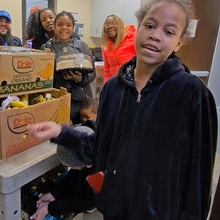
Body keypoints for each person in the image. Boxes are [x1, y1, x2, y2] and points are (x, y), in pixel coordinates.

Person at [27, 0, 218, 219]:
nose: (156, 35)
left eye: (168, 31)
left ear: (178, 43)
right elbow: (101, 152)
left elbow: (198, 179)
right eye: (150, 25)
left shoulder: (192, 94)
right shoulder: (112, 89)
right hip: (114, 211)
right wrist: (60, 133)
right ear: (137, 28)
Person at [30, 98, 99, 220]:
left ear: (87, 164)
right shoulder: (90, 140)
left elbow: (87, 200)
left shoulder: (102, 169)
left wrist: (50, 208)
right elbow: (76, 175)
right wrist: (53, 194)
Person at [42, 11, 96, 124]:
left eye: (68, 25)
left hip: (81, 98)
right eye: (60, 24)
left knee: (83, 130)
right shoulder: (47, 47)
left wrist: (79, 78)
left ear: (73, 28)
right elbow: (43, 74)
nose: (64, 28)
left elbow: (92, 73)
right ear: (55, 27)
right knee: (60, 131)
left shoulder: (82, 46)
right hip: (58, 97)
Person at [101, 15, 136, 83]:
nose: (110, 26)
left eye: (114, 23)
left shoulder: (132, 38)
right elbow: (107, 69)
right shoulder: (105, 46)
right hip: (115, 83)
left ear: (120, 25)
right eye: (107, 24)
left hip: (131, 82)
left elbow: (142, 62)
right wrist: (106, 85)